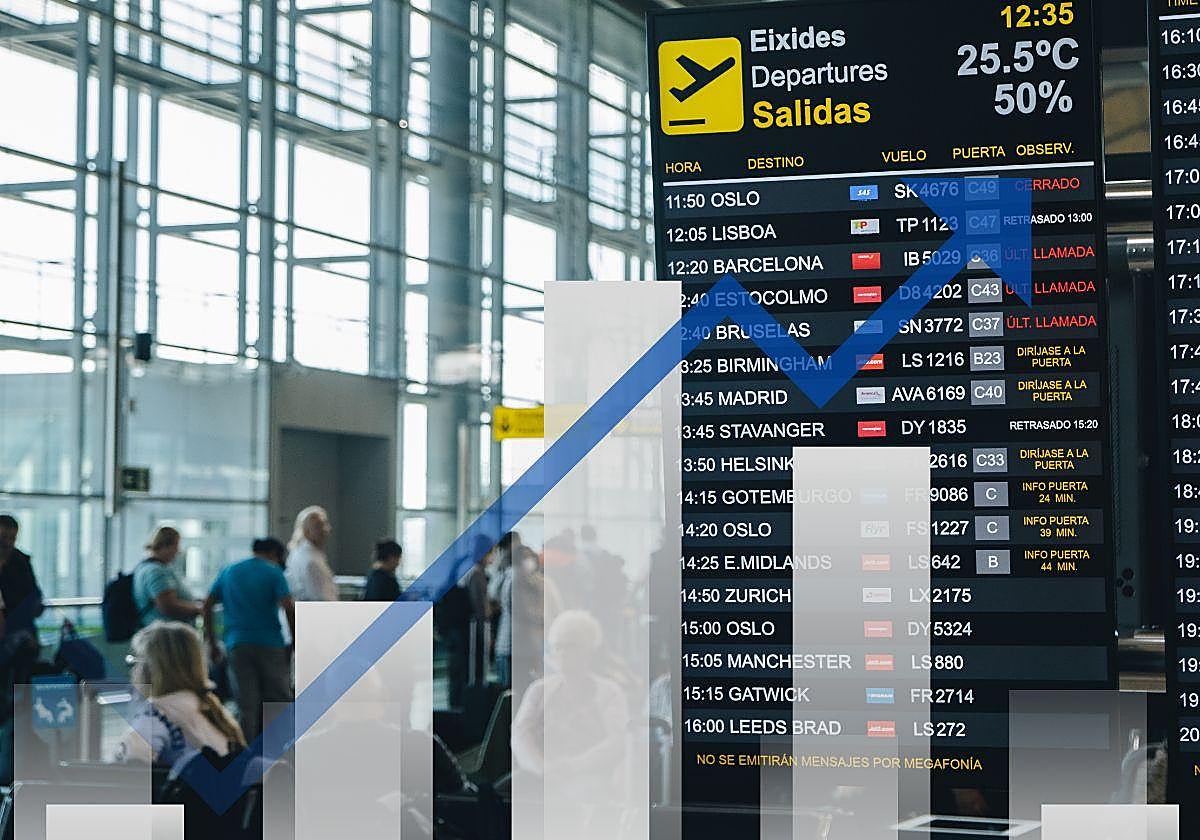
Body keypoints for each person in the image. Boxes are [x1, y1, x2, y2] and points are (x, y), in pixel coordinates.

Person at [112, 621, 245, 766]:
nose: (132, 671)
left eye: (133, 662)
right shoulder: (207, 709)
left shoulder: (155, 715)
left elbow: (122, 776)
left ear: (151, 669)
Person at [203, 537, 296, 741]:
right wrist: (295, 640)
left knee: (246, 704)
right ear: (274, 554)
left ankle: (246, 755)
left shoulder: (229, 571)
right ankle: (282, 749)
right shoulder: (273, 572)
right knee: (278, 700)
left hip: (236, 644)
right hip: (270, 643)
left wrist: (211, 641)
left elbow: (207, 604)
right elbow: (288, 607)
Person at [133, 525, 201, 627]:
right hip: (167, 634)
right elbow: (168, 607)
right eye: (176, 545)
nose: (178, 551)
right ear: (165, 545)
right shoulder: (156, 571)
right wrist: (199, 609)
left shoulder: (145, 567)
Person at [285, 506, 337, 602]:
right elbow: (321, 597)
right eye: (318, 526)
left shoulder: (300, 552)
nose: (325, 530)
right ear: (306, 531)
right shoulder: (310, 560)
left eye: (326, 524)